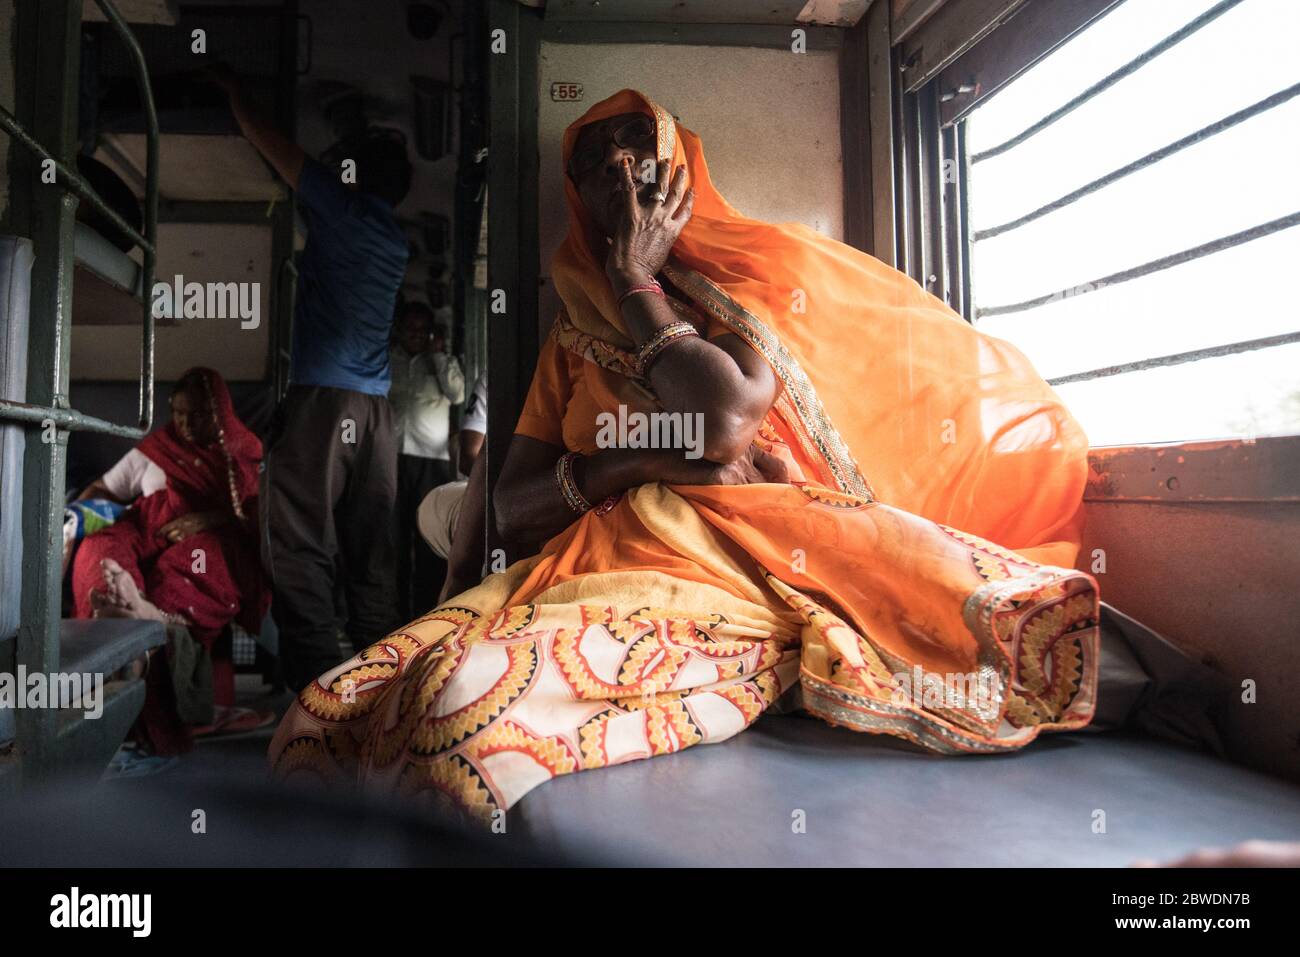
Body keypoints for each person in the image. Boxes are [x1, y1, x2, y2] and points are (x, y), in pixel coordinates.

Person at [271, 90, 1100, 823]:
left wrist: (635, 275)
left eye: (640, 148)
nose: (621, 167)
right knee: (323, 712)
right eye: (596, 162)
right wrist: (636, 465)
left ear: (682, 179)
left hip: (722, 569)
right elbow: (513, 507)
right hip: (582, 562)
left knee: (457, 708)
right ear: (581, 201)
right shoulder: (570, 342)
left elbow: (725, 421)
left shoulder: (759, 289)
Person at [207, 67, 412, 691]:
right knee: (370, 552)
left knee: (297, 544)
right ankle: (377, 696)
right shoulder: (392, 236)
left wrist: (233, 87)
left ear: (351, 175)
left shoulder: (341, 207)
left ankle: (315, 696)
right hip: (374, 412)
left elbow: (272, 144)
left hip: (323, 403)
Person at [72, 368, 269, 755]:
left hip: (210, 544)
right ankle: (115, 604)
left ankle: (151, 616)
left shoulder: (242, 453)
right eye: (178, 413)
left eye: (196, 414)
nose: (185, 423)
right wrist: (75, 519)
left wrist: (208, 518)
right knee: (100, 546)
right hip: (148, 530)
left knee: (188, 566)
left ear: (220, 413)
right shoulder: (157, 448)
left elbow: (257, 517)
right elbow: (105, 491)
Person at [390, 302, 465, 618]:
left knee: (426, 539)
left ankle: (424, 613)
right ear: (399, 330)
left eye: (423, 330)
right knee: (393, 539)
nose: (416, 336)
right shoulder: (387, 361)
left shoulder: (442, 363)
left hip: (430, 461)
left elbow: (458, 394)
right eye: (411, 329)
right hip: (392, 458)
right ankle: (392, 614)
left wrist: (438, 354)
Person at [416, 370, 486, 600]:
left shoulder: (446, 366)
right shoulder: (495, 374)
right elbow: (469, 457)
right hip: (495, 482)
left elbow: (455, 393)